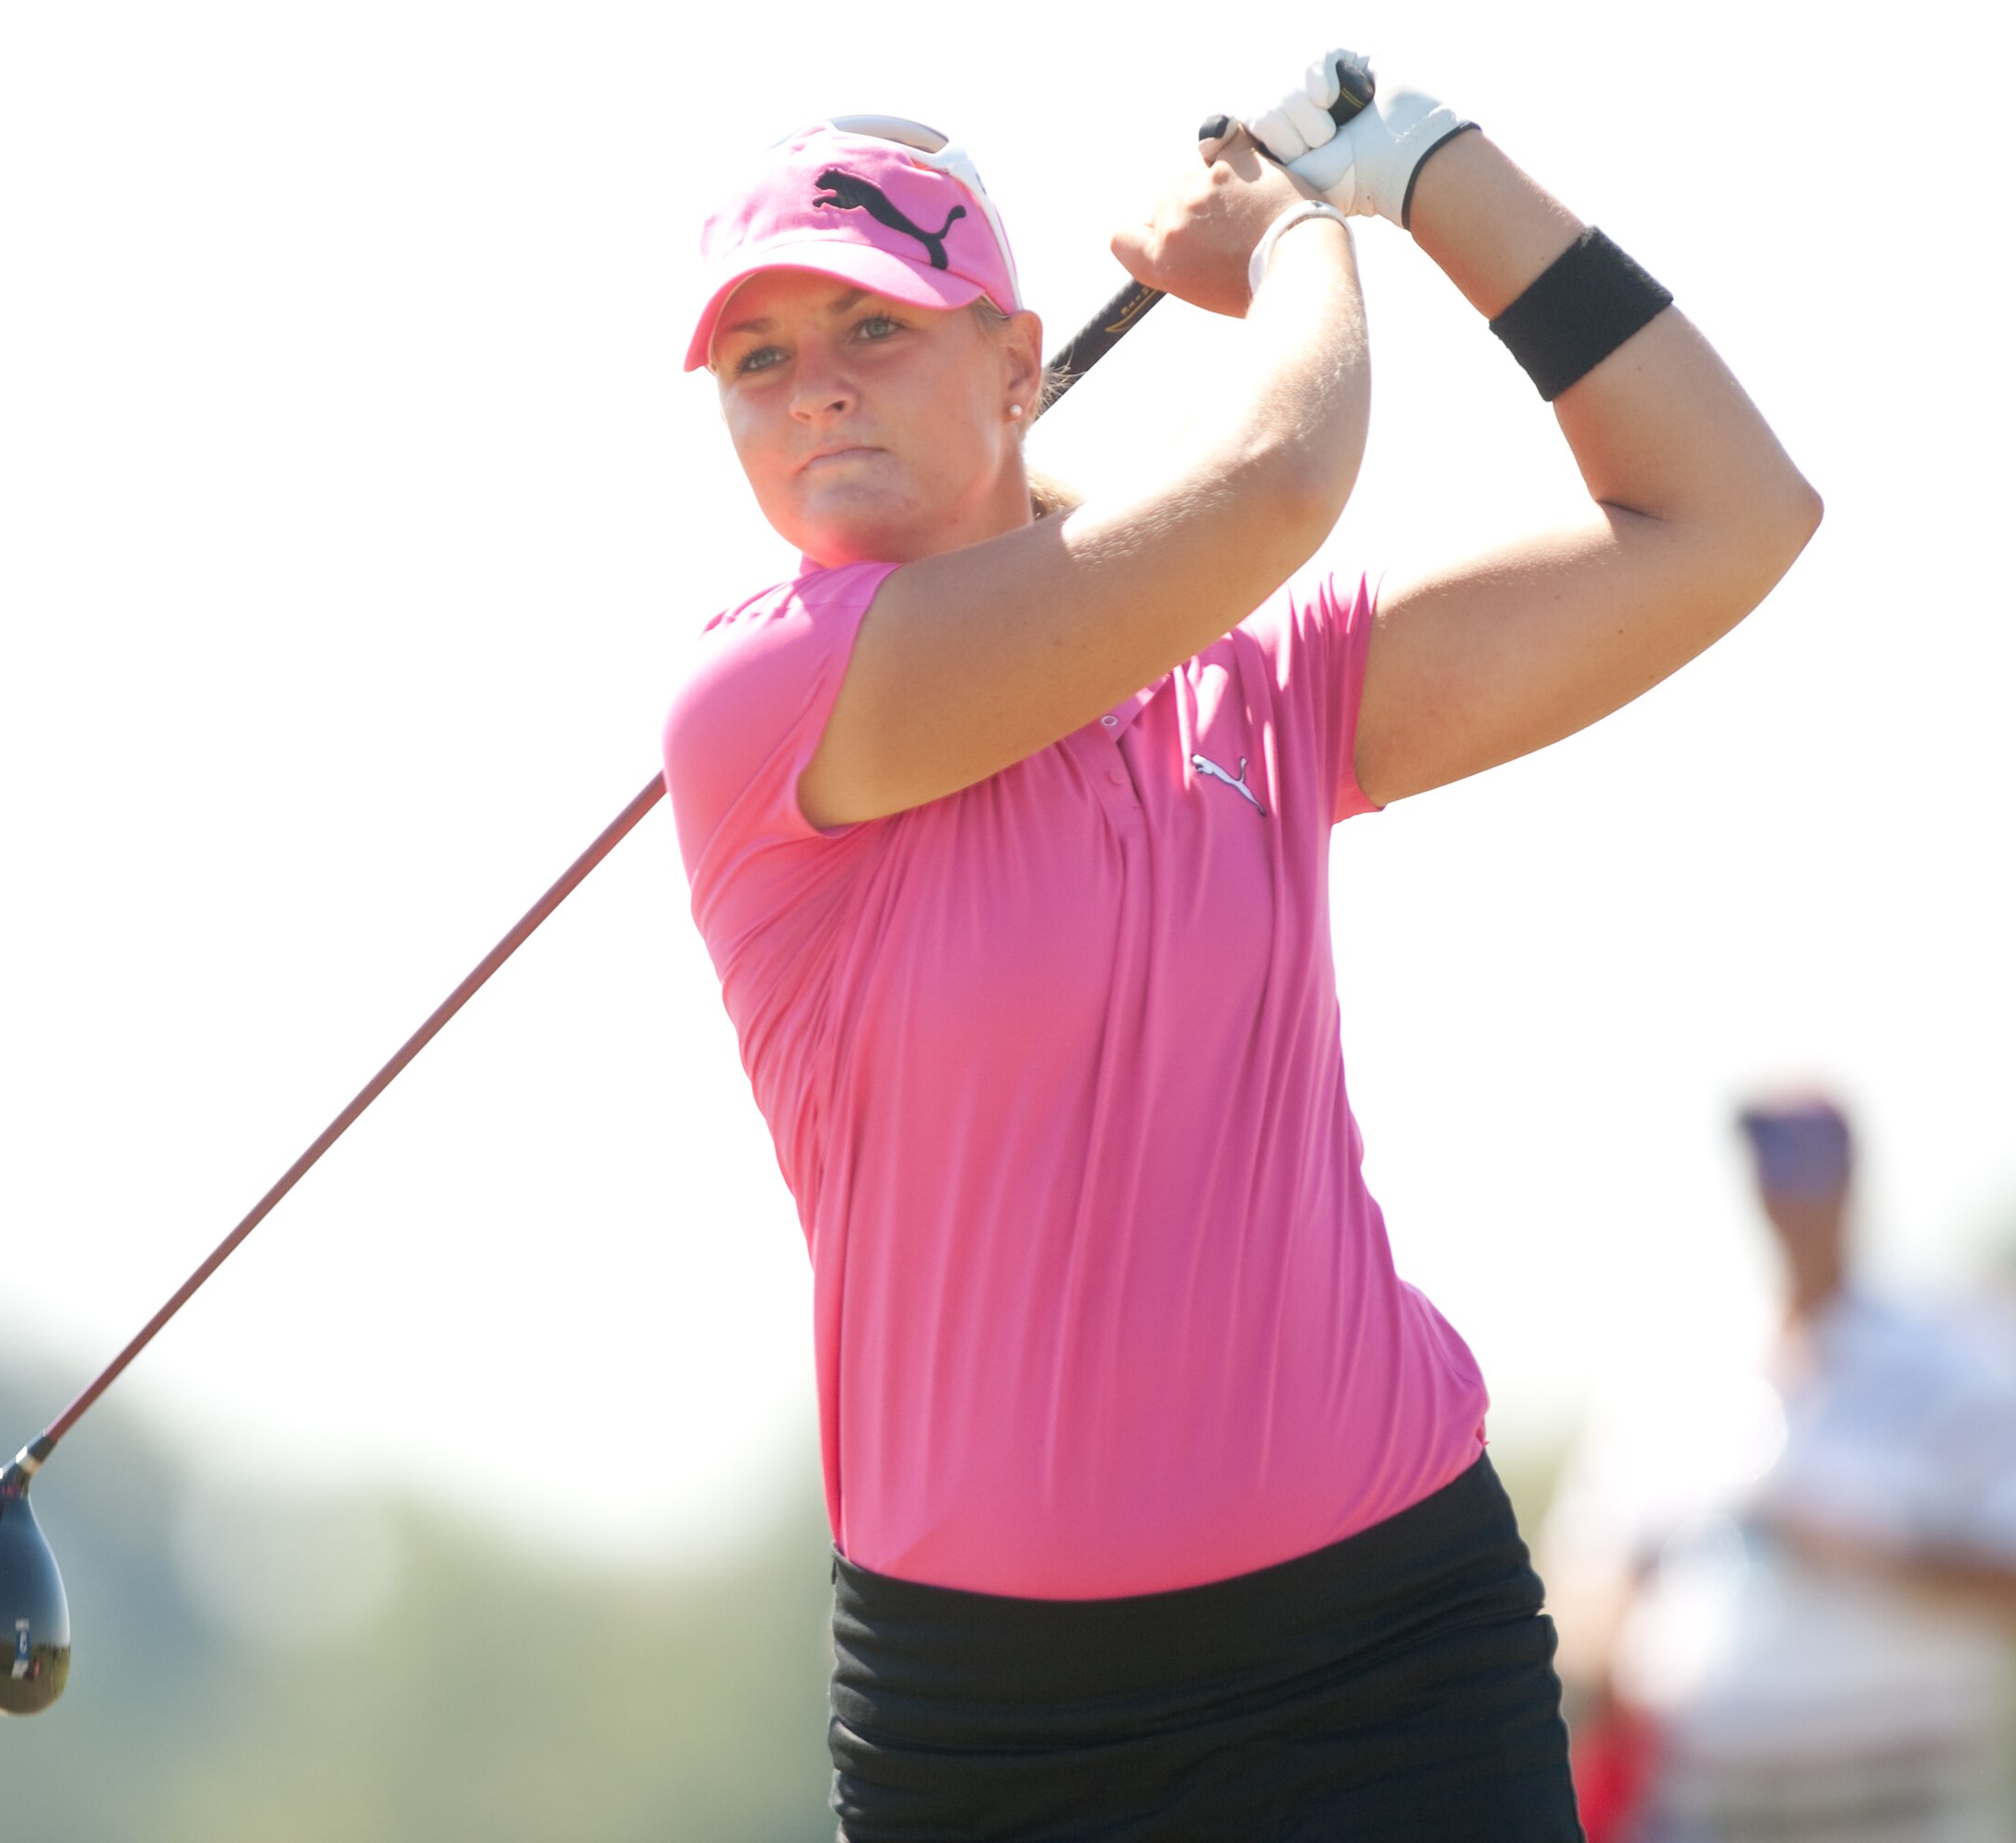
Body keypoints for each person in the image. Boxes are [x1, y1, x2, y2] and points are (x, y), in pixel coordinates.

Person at [656, 51, 1822, 1840]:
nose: (815, 393)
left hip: (1390, 1649)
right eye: (762, 362)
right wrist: (1295, 240)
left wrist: (1431, 170)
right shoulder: (761, 696)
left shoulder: (1255, 695)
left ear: (1021, 364)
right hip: (999, 1725)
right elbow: (1282, 477)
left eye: (875, 331)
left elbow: (1729, 513)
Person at [1546, 1095, 2016, 1841]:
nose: (1786, 1188)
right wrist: (1615, 1637)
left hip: (1900, 1808)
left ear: (1850, 1178)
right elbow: (1580, 1594)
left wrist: (1875, 1553)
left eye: (1806, 1161)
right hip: (1701, 1807)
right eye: (1769, 1162)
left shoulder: (1957, 1354)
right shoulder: (1670, 1370)